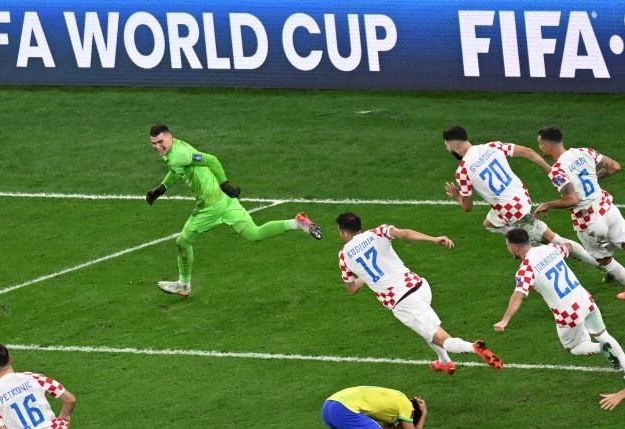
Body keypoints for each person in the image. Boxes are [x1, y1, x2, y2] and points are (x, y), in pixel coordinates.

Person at [145, 123, 322, 297]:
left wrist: (225, 184)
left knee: (183, 242)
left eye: (160, 142)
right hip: (225, 201)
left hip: (210, 206)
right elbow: (177, 169)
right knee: (254, 233)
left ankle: (184, 284)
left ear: (169, 137)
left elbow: (211, 160)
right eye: (154, 143)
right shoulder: (174, 149)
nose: (157, 147)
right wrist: (161, 189)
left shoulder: (179, 154)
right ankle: (297, 223)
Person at [336, 212, 503, 374]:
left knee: (443, 339)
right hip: (419, 285)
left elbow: (352, 288)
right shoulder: (378, 232)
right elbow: (405, 234)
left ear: (344, 233)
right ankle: (444, 362)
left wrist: (365, 275)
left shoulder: (344, 256)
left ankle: (473, 347)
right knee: (426, 330)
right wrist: (433, 239)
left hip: (403, 301)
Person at [534, 126, 625, 300]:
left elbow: (572, 200)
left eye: (540, 144)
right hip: (607, 208)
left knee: (604, 261)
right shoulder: (584, 152)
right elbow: (614, 166)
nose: (539, 148)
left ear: (547, 147)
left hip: (589, 221)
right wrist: (594, 178)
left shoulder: (557, 170)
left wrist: (548, 205)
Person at [441, 125, 601, 268]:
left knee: (554, 239)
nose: (448, 149)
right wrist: (550, 170)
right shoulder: (492, 146)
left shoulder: (463, 171)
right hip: (520, 196)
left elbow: (467, 207)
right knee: (489, 223)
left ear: (454, 145)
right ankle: (525, 240)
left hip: (512, 211)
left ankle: (603, 265)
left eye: (447, 146)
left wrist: (457, 197)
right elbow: (528, 152)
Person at [493, 229, 625, 381]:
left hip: (567, 312)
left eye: (507, 246)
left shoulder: (526, 269)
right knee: (603, 335)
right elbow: (568, 246)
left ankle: (600, 348)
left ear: (515, 248)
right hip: (585, 299)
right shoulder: (551, 249)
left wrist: (504, 321)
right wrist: (565, 249)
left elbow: (518, 296)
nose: (507, 249)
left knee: (573, 348)